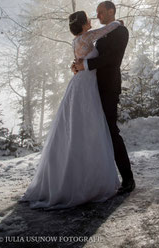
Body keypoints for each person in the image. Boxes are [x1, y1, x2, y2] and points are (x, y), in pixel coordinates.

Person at [19, 11, 123, 209]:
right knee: (88, 124)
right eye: (88, 19)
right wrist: (118, 22)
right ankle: (87, 181)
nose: (92, 20)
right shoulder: (88, 36)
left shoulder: (76, 41)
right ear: (84, 24)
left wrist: (77, 66)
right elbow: (108, 28)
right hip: (86, 85)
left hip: (79, 82)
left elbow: (80, 61)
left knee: (77, 125)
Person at [74, 1, 135, 194]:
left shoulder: (121, 32)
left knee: (110, 130)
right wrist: (78, 64)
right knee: (93, 132)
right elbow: (90, 54)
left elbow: (113, 59)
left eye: (101, 12)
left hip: (108, 87)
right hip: (91, 87)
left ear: (111, 11)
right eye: (97, 13)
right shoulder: (99, 35)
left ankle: (128, 179)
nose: (98, 16)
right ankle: (96, 179)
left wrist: (87, 65)